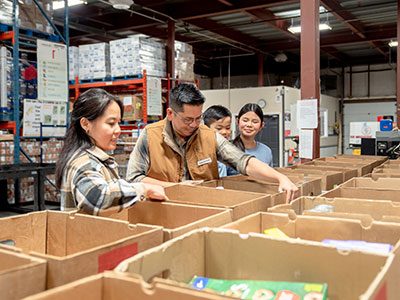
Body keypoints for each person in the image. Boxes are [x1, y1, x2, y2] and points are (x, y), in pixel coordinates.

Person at [126, 83, 298, 202]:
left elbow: (243, 161)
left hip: (205, 208)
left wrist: (280, 177)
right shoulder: (150, 135)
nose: (194, 125)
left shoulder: (208, 136)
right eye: (187, 120)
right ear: (170, 114)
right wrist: (177, 187)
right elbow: (134, 179)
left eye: (198, 118)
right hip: (164, 209)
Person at [55, 88, 167, 216]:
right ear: (86, 124)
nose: (118, 130)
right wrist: (143, 189)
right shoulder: (82, 163)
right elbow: (99, 198)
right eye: (111, 123)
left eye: (118, 123)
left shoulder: (99, 160)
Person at [203, 105, 232, 177]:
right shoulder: (202, 151)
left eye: (227, 128)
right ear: (206, 129)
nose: (225, 132)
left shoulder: (230, 151)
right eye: (219, 128)